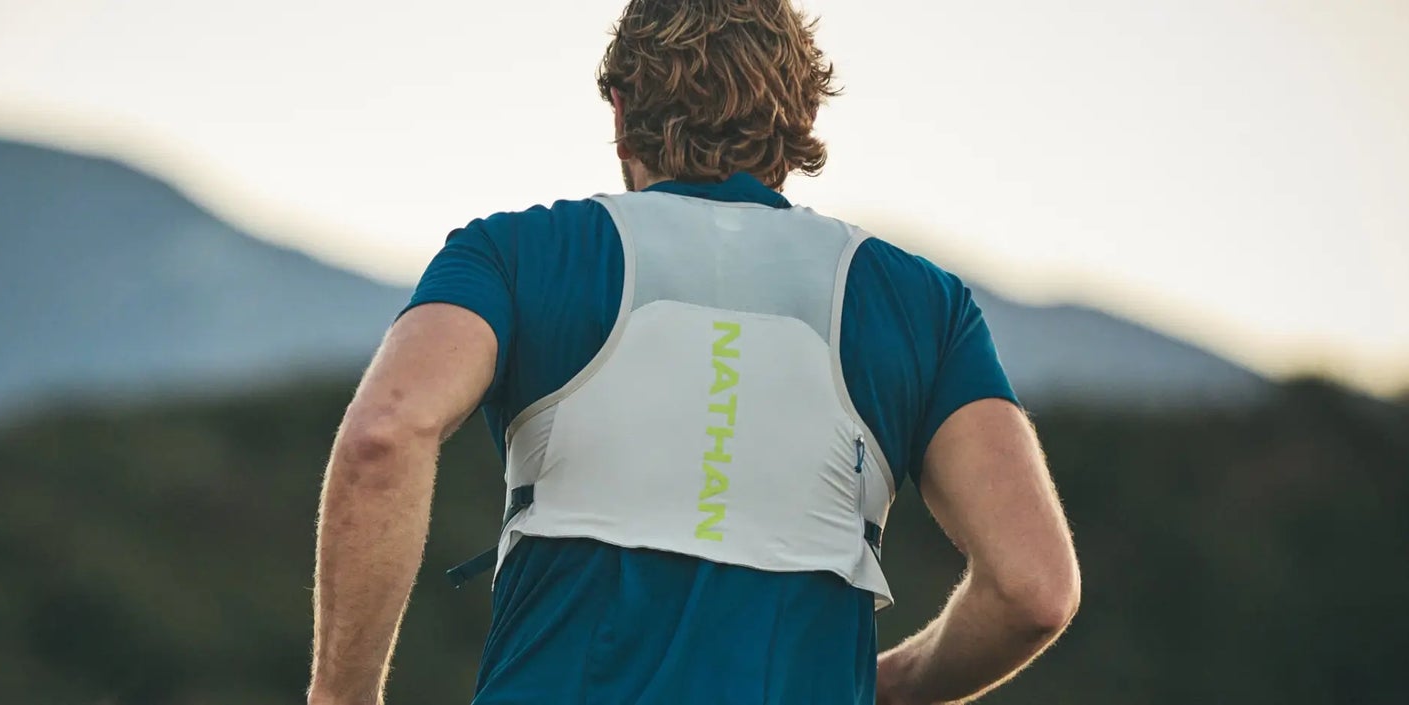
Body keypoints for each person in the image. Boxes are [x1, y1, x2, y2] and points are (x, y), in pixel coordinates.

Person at [306, 1, 1080, 702]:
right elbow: (1034, 588)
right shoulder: (922, 305)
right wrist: (888, 686)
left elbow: (384, 435)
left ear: (619, 112)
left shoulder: (512, 253)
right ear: (804, 114)